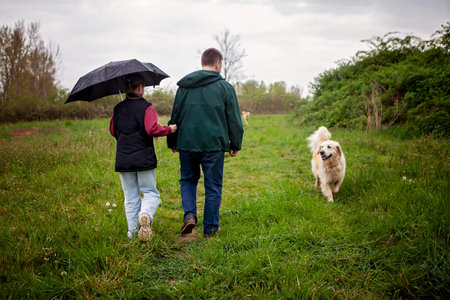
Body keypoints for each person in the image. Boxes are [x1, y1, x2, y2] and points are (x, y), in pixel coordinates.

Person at [167, 48, 244, 237]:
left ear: (203, 62)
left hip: (187, 143)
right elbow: (234, 119)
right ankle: (210, 228)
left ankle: (190, 215)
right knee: (213, 185)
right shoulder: (225, 88)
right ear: (218, 63)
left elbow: (175, 116)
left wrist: (172, 141)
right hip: (214, 146)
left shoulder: (184, 87)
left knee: (187, 180)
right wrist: (235, 143)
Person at [109, 74, 177, 241]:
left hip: (123, 159)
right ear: (140, 88)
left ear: (125, 89)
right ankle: (145, 214)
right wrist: (170, 129)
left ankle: (132, 234)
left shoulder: (118, 109)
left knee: (130, 197)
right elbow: (151, 129)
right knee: (150, 193)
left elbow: (112, 131)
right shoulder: (146, 107)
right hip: (144, 159)